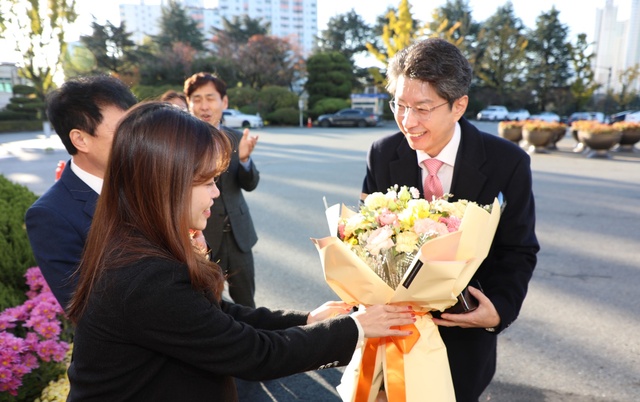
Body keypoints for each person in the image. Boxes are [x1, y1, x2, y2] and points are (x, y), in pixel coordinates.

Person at [65, 101, 416, 401]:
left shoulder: (139, 242)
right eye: (205, 182)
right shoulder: (146, 276)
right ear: (163, 186)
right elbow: (256, 355)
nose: (215, 194)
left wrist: (307, 320)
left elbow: (218, 315)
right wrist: (355, 328)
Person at [361, 38, 539, 401]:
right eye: (399, 104)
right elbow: (366, 242)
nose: (407, 121)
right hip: (392, 332)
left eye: (422, 108)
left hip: (462, 336)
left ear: (459, 106)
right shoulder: (383, 153)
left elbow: (517, 249)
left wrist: (498, 310)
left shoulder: (507, 162)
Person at [25, 75, 138, 310]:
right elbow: (83, 306)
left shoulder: (145, 179)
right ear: (80, 139)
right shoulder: (50, 216)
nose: (136, 137)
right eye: (122, 129)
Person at [184, 72, 260, 308]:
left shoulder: (237, 139)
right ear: (189, 103)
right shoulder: (181, 142)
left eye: (210, 98)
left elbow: (250, 184)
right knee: (209, 304)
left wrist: (245, 160)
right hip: (203, 238)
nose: (204, 106)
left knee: (246, 302)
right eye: (197, 99)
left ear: (224, 102)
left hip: (239, 236)